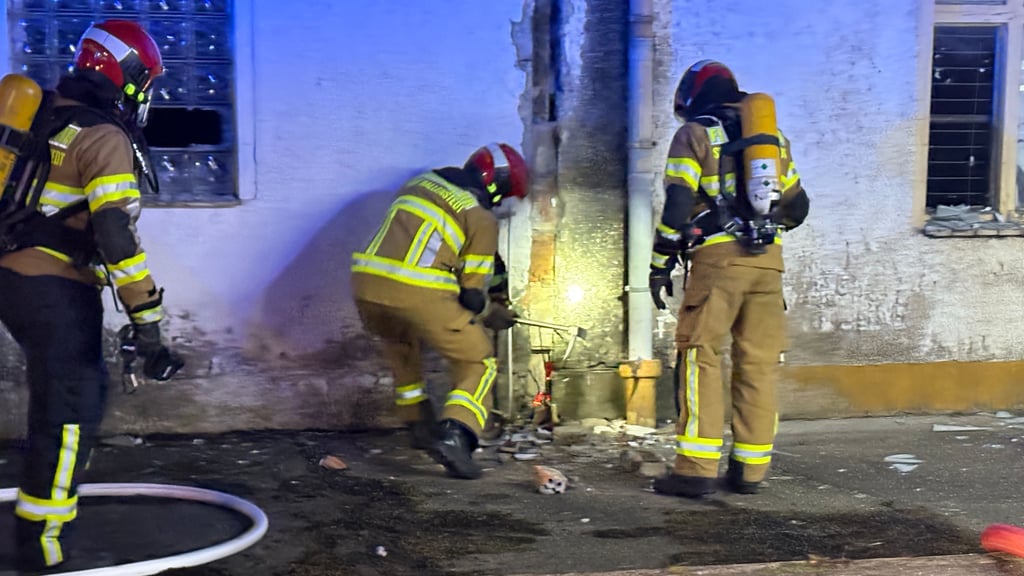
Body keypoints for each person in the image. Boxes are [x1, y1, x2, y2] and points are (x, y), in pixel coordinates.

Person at [0, 20, 183, 570]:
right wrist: (147, 320)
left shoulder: (41, 115)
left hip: (9, 277)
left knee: (55, 397)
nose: (145, 94)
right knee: (71, 405)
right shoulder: (104, 136)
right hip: (52, 286)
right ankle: (42, 548)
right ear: (125, 77)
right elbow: (115, 235)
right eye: (143, 81)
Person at [648, 60, 810, 498]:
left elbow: (678, 201)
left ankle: (695, 470)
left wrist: (661, 261)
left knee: (700, 355)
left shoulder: (695, 134)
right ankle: (749, 472)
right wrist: (760, 226)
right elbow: (798, 207)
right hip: (769, 264)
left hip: (718, 263)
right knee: (758, 363)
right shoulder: (772, 139)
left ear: (691, 97)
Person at [352, 143, 529, 479]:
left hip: (366, 285)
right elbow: (472, 297)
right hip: (417, 290)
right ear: (499, 185)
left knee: (401, 345)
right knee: (478, 361)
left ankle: (418, 425)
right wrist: (492, 312)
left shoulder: (420, 184)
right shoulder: (481, 218)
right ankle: (456, 434)